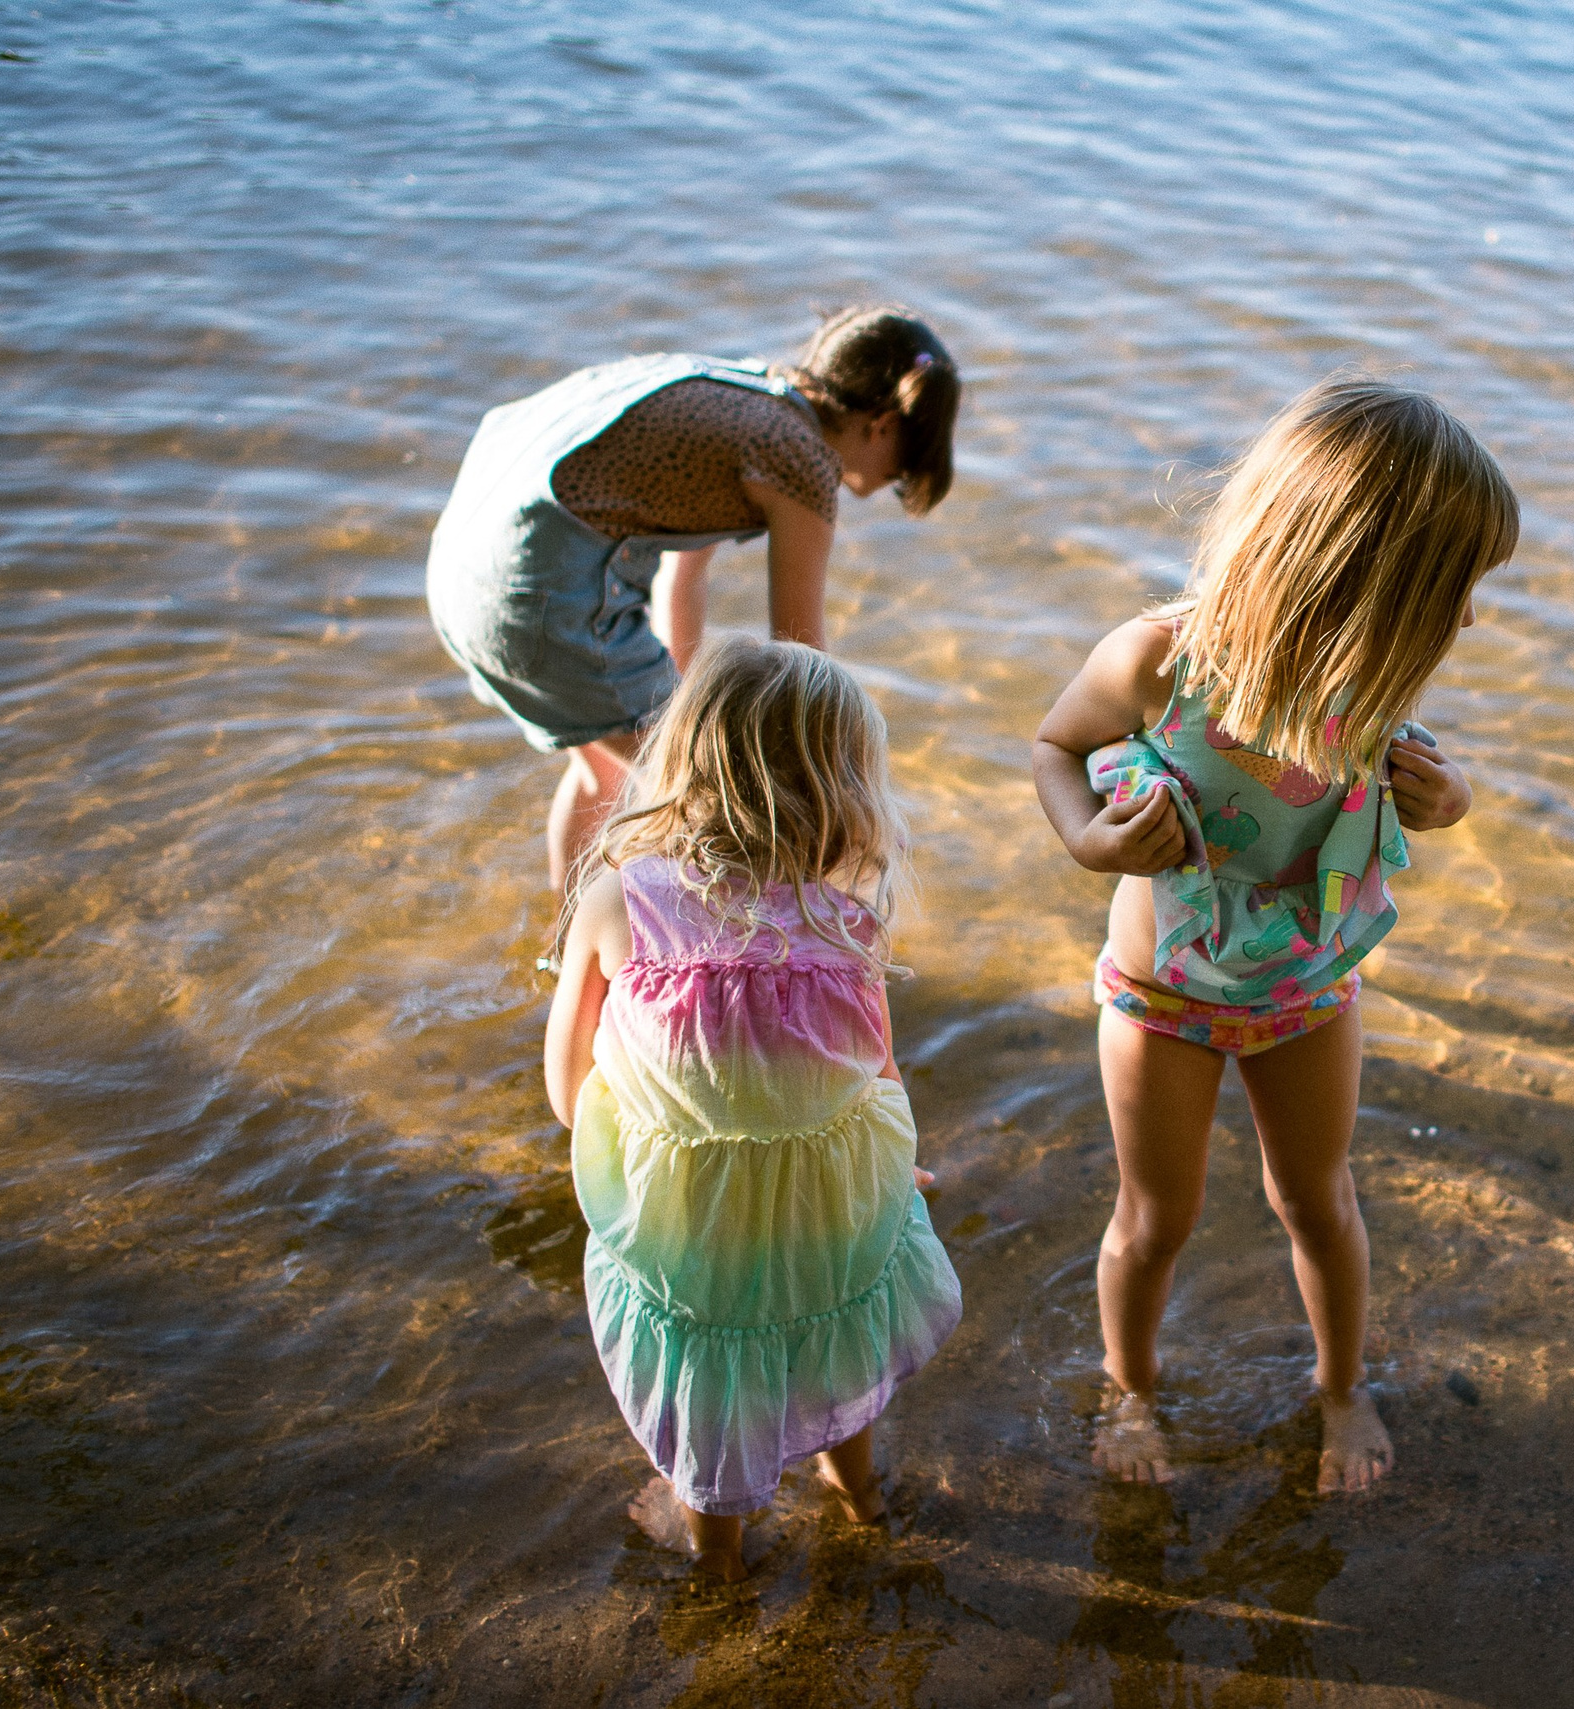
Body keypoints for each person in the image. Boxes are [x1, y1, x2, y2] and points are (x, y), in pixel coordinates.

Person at [1031, 377, 1516, 1495]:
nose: (1468, 620)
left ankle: (1341, 1387)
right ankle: (1130, 1388)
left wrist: (1448, 802)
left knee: (1318, 1200)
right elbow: (1055, 747)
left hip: (1307, 992)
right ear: (1365, 578)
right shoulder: (1158, 662)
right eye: (1455, 589)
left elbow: (1422, 791)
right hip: (1161, 999)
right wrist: (1091, 842)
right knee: (1155, 1218)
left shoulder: (1370, 688)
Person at [543, 636, 960, 1582]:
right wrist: (892, 1173)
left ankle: (719, 1555)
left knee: (712, 1381)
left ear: (684, 758)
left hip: (690, 1232)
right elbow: (877, 1078)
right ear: (844, 787)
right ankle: (860, 1496)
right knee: (834, 1339)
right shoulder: (847, 922)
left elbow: (567, 1094)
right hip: (832, 1217)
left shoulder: (618, 901)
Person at [428, 305, 961, 888]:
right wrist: (841, 792)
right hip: (540, 599)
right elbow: (802, 662)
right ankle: (689, 943)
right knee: (720, 803)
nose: (895, 480)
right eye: (905, 463)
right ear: (883, 424)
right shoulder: (802, 462)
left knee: (608, 772)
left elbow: (682, 580)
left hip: (472, 570)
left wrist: (681, 710)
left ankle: (568, 939)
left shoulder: (742, 397)